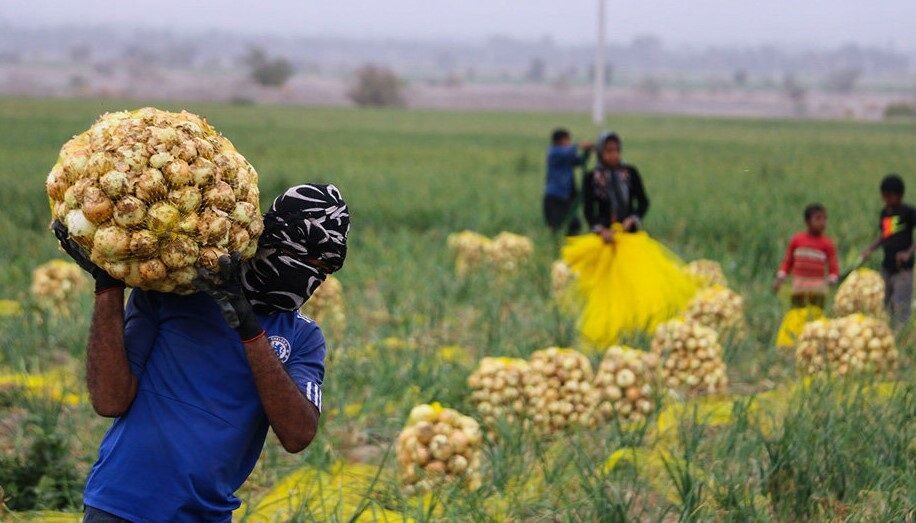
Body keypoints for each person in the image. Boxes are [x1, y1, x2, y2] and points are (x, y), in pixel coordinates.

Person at [53, 184, 350, 522]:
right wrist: (107, 286)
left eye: (326, 268)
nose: (316, 275)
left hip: (206, 515)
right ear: (273, 238)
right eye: (309, 258)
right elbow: (110, 401)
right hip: (121, 504)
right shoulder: (176, 291)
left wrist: (250, 332)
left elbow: (298, 435)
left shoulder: (303, 337)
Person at [772, 203, 839, 348]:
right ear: (807, 221)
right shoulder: (797, 240)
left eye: (824, 219)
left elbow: (833, 266)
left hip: (817, 289)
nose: (823, 223)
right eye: (818, 219)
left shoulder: (827, 244)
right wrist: (780, 277)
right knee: (796, 314)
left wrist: (833, 278)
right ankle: (790, 343)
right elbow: (787, 262)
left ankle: (815, 344)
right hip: (799, 287)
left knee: (816, 316)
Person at [860, 174, 914, 328]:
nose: (887, 200)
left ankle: (901, 335)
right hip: (887, 266)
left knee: (900, 303)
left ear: (900, 195)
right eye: (885, 197)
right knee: (885, 303)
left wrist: (908, 252)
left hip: (903, 269)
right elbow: (885, 236)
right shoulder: (886, 213)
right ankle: (888, 332)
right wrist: (870, 249)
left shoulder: (908, 212)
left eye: (890, 196)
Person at [582, 132, 649, 243]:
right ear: (600, 152)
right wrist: (601, 230)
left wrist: (632, 219)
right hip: (604, 236)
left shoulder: (630, 172)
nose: (614, 155)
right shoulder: (592, 177)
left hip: (629, 234)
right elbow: (588, 210)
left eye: (617, 150)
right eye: (609, 151)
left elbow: (643, 202)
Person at [544, 128, 592, 235]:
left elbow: (579, 161)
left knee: (574, 224)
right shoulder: (554, 152)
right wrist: (579, 145)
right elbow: (567, 152)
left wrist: (587, 153)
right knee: (555, 226)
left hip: (567, 196)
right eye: (567, 141)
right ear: (559, 141)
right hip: (555, 197)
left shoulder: (567, 155)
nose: (569, 143)